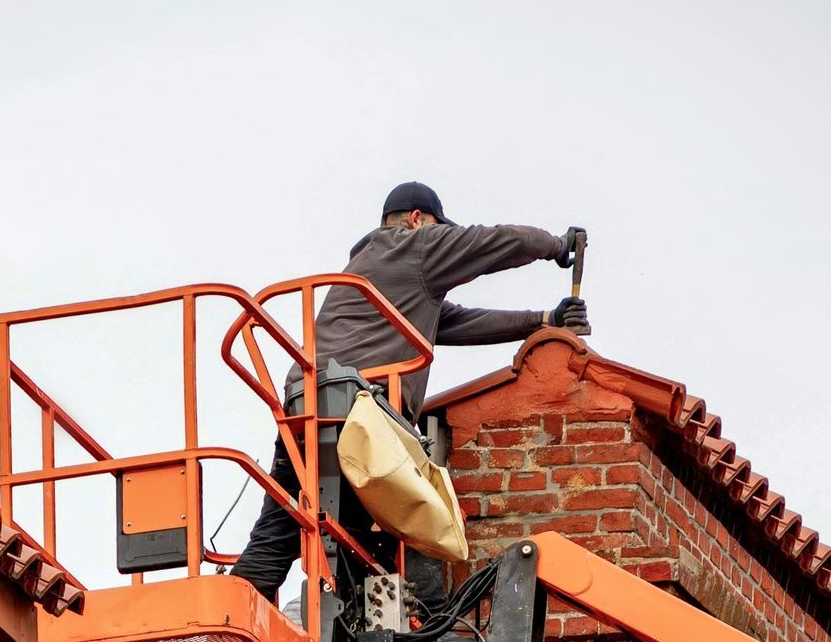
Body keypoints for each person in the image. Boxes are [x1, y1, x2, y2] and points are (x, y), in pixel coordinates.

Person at [231, 181, 589, 617]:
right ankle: (422, 627)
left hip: (305, 407)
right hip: (359, 411)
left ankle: (232, 616)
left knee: (282, 529)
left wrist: (544, 319)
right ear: (419, 220)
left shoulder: (373, 270)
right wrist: (555, 245)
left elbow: (456, 323)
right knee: (408, 517)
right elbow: (492, 242)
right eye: (438, 230)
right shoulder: (412, 245)